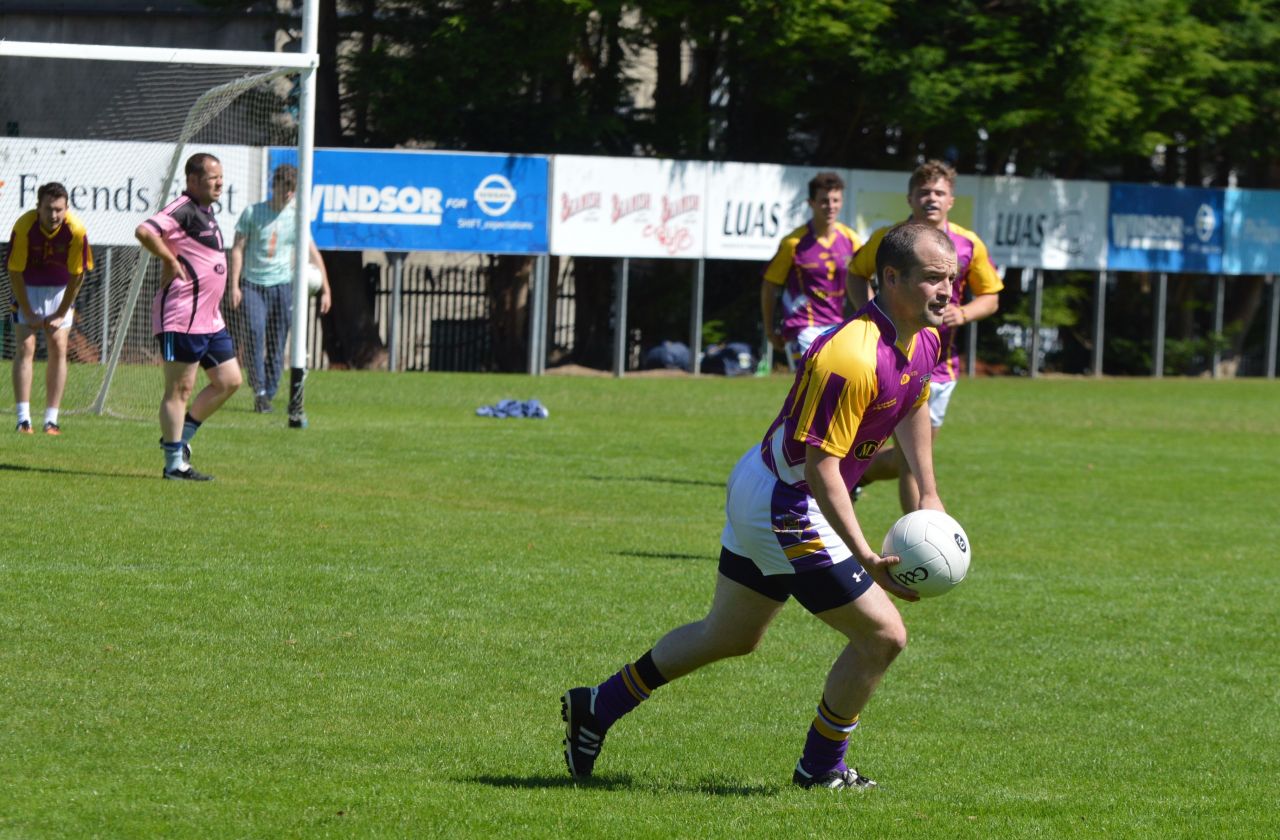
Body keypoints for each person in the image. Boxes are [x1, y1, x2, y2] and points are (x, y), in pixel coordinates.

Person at [562, 223, 957, 790]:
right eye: (933, 279)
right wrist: (865, 554)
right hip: (788, 500)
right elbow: (823, 470)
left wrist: (929, 491)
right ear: (891, 278)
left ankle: (598, 704)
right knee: (883, 636)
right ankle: (821, 769)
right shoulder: (849, 356)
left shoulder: (924, 337)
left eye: (951, 279)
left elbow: (915, 403)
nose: (946, 291)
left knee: (729, 635)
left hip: (769, 484)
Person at [848, 160, 1003, 512]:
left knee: (912, 458)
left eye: (939, 192)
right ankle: (917, 542)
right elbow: (856, 272)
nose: (931, 198)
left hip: (942, 365)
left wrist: (963, 312)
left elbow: (991, 297)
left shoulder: (967, 244)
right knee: (914, 461)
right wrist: (872, 315)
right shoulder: (891, 240)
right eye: (924, 192)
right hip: (889, 357)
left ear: (951, 200)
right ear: (910, 198)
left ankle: (857, 474)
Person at [136, 152, 242, 481]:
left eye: (221, 177)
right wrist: (169, 260)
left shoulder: (205, 213)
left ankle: (180, 440)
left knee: (229, 381)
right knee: (180, 390)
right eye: (213, 177)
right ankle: (173, 466)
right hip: (182, 316)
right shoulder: (182, 208)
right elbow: (145, 231)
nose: (220, 182)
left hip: (210, 319)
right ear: (193, 181)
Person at [227, 163, 330, 414]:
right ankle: (259, 391)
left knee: (277, 341)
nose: (287, 195)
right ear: (274, 186)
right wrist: (234, 286)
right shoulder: (252, 213)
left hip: (283, 287)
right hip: (253, 285)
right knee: (254, 331)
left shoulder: (296, 217)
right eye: (284, 188)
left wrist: (326, 288)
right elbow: (238, 249)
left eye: (292, 191)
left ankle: (269, 390)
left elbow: (312, 251)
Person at [7, 182, 93, 435]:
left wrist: (60, 312)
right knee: (26, 347)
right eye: (48, 209)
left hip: (60, 291)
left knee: (58, 347)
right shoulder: (24, 227)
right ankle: (23, 420)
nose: (53, 215)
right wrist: (28, 310)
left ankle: (51, 420)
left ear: (66, 208)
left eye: (58, 209)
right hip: (28, 288)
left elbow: (78, 276)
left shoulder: (76, 230)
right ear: (38, 208)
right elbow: (15, 272)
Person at [761, 171, 861, 369]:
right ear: (811, 203)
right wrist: (770, 330)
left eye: (835, 200)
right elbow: (769, 286)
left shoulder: (851, 240)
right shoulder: (793, 243)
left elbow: (862, 281)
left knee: (835, 390)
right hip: (802, 327)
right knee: (815, 380)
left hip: (838, 327)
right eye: (824, 200)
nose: (830, 206)